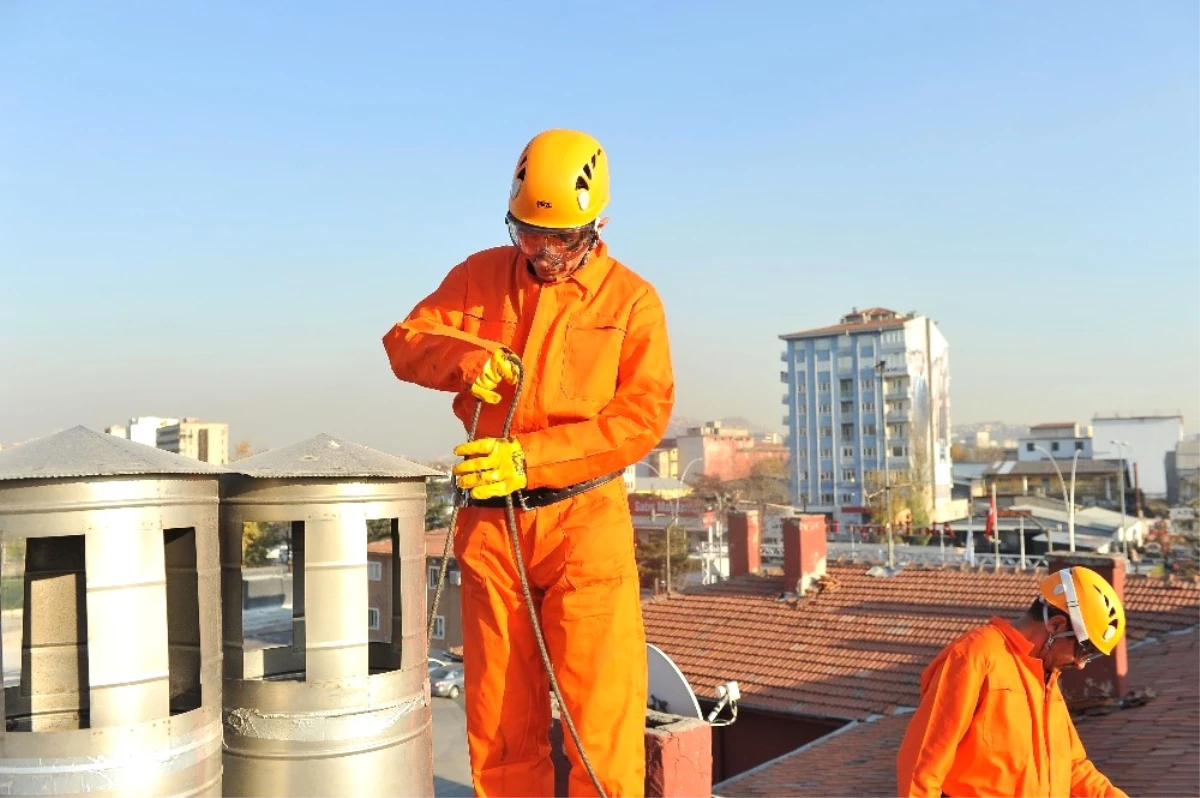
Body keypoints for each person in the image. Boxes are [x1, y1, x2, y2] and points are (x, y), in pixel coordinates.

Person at [382, 128, 675, 797]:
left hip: (584, 529)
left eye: (562, 240)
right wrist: (466, 360)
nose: (543, 253)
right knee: (500, 727)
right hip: (493, 534)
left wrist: (532, 459)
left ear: (597, 227)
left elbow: (641, 416)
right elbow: (406, 342)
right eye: (528, 235)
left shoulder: (631, 301)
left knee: (600, 729)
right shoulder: (479, 276)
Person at [896, 565, 1129, 797]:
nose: (1080, 664)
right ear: (1056, 625)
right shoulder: (976, 656)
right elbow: (923, 765)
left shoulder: (1045, 678)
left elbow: (1072, 767)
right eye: (1083, 650)